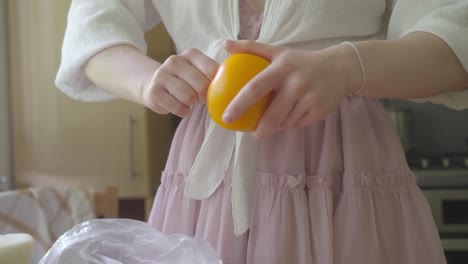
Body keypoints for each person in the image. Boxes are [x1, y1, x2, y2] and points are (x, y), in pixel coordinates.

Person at [56, 0, 468, 263]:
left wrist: (346, 66)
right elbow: (91, 27)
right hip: (207, 173)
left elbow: (456, 34)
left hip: (339, 165)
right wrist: (148, 82)